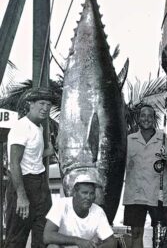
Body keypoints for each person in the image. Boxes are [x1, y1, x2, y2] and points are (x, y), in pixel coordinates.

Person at [5, 87, 55, 248]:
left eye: (48, 105)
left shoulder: (38, 127)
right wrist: (21, 196)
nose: (45, 108)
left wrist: (49, 151)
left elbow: (32, 155)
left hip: (40, 185)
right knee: (17, 237)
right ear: (30, 104)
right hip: (24, 184)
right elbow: (14, 163)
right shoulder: (21, 127)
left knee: (42, 235)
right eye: (41, 103)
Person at [122, 104, 167, 248]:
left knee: (160, 236)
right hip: (135, 194)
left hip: (157, 194)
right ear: (138, 119)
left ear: (154, 119)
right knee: (136, 233)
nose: (146, 119)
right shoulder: (128, 139)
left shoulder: (165, 139)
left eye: (149, 116)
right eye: (143, 115)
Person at [43, 174, 117, 248]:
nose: (88, 197)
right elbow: (47, 236)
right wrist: (78, 241)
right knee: (52, 246)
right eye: (84, 193)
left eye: (92, 193)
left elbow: (112, 242)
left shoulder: (98, 211)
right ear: (74, 193)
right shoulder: (61, 205)